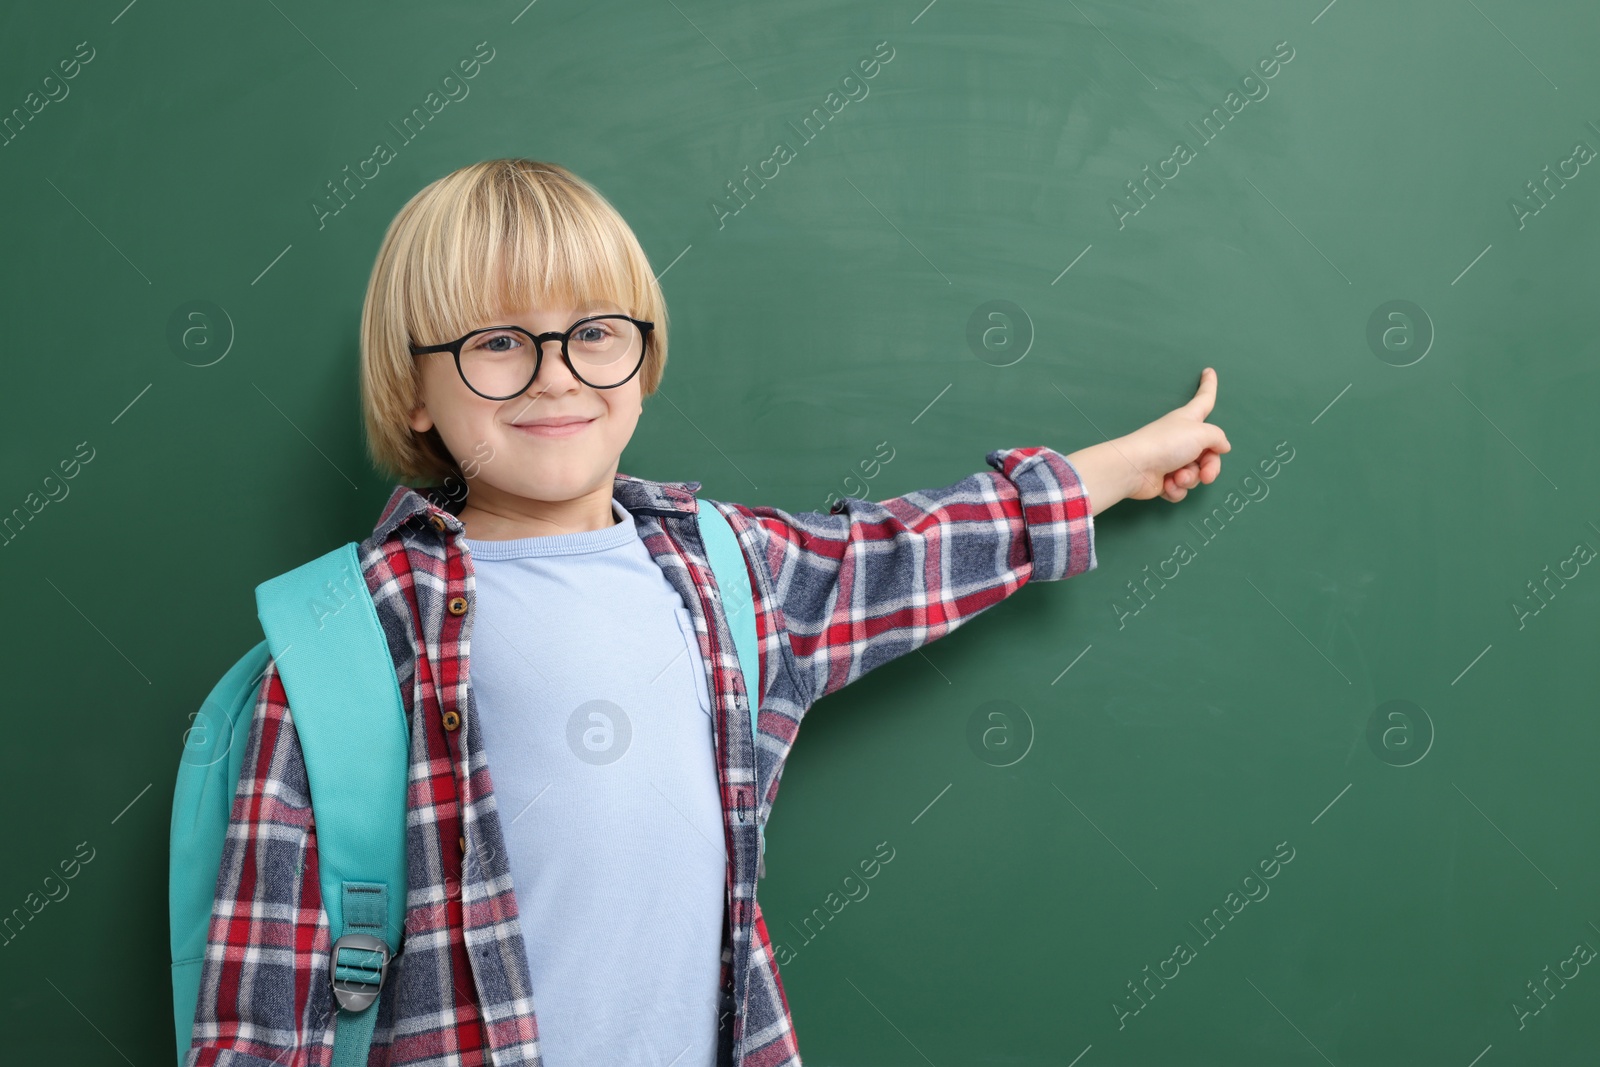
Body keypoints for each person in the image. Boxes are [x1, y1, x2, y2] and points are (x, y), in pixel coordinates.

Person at [186, 157, 1229, 1067]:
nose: (555, 375)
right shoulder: (346, 642)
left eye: (593, 332)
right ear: (416, 388)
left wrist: (1113, 470)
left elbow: (908, 552)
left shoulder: (725, 572)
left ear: (640, 356)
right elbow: (257, 998)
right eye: (496, 341)